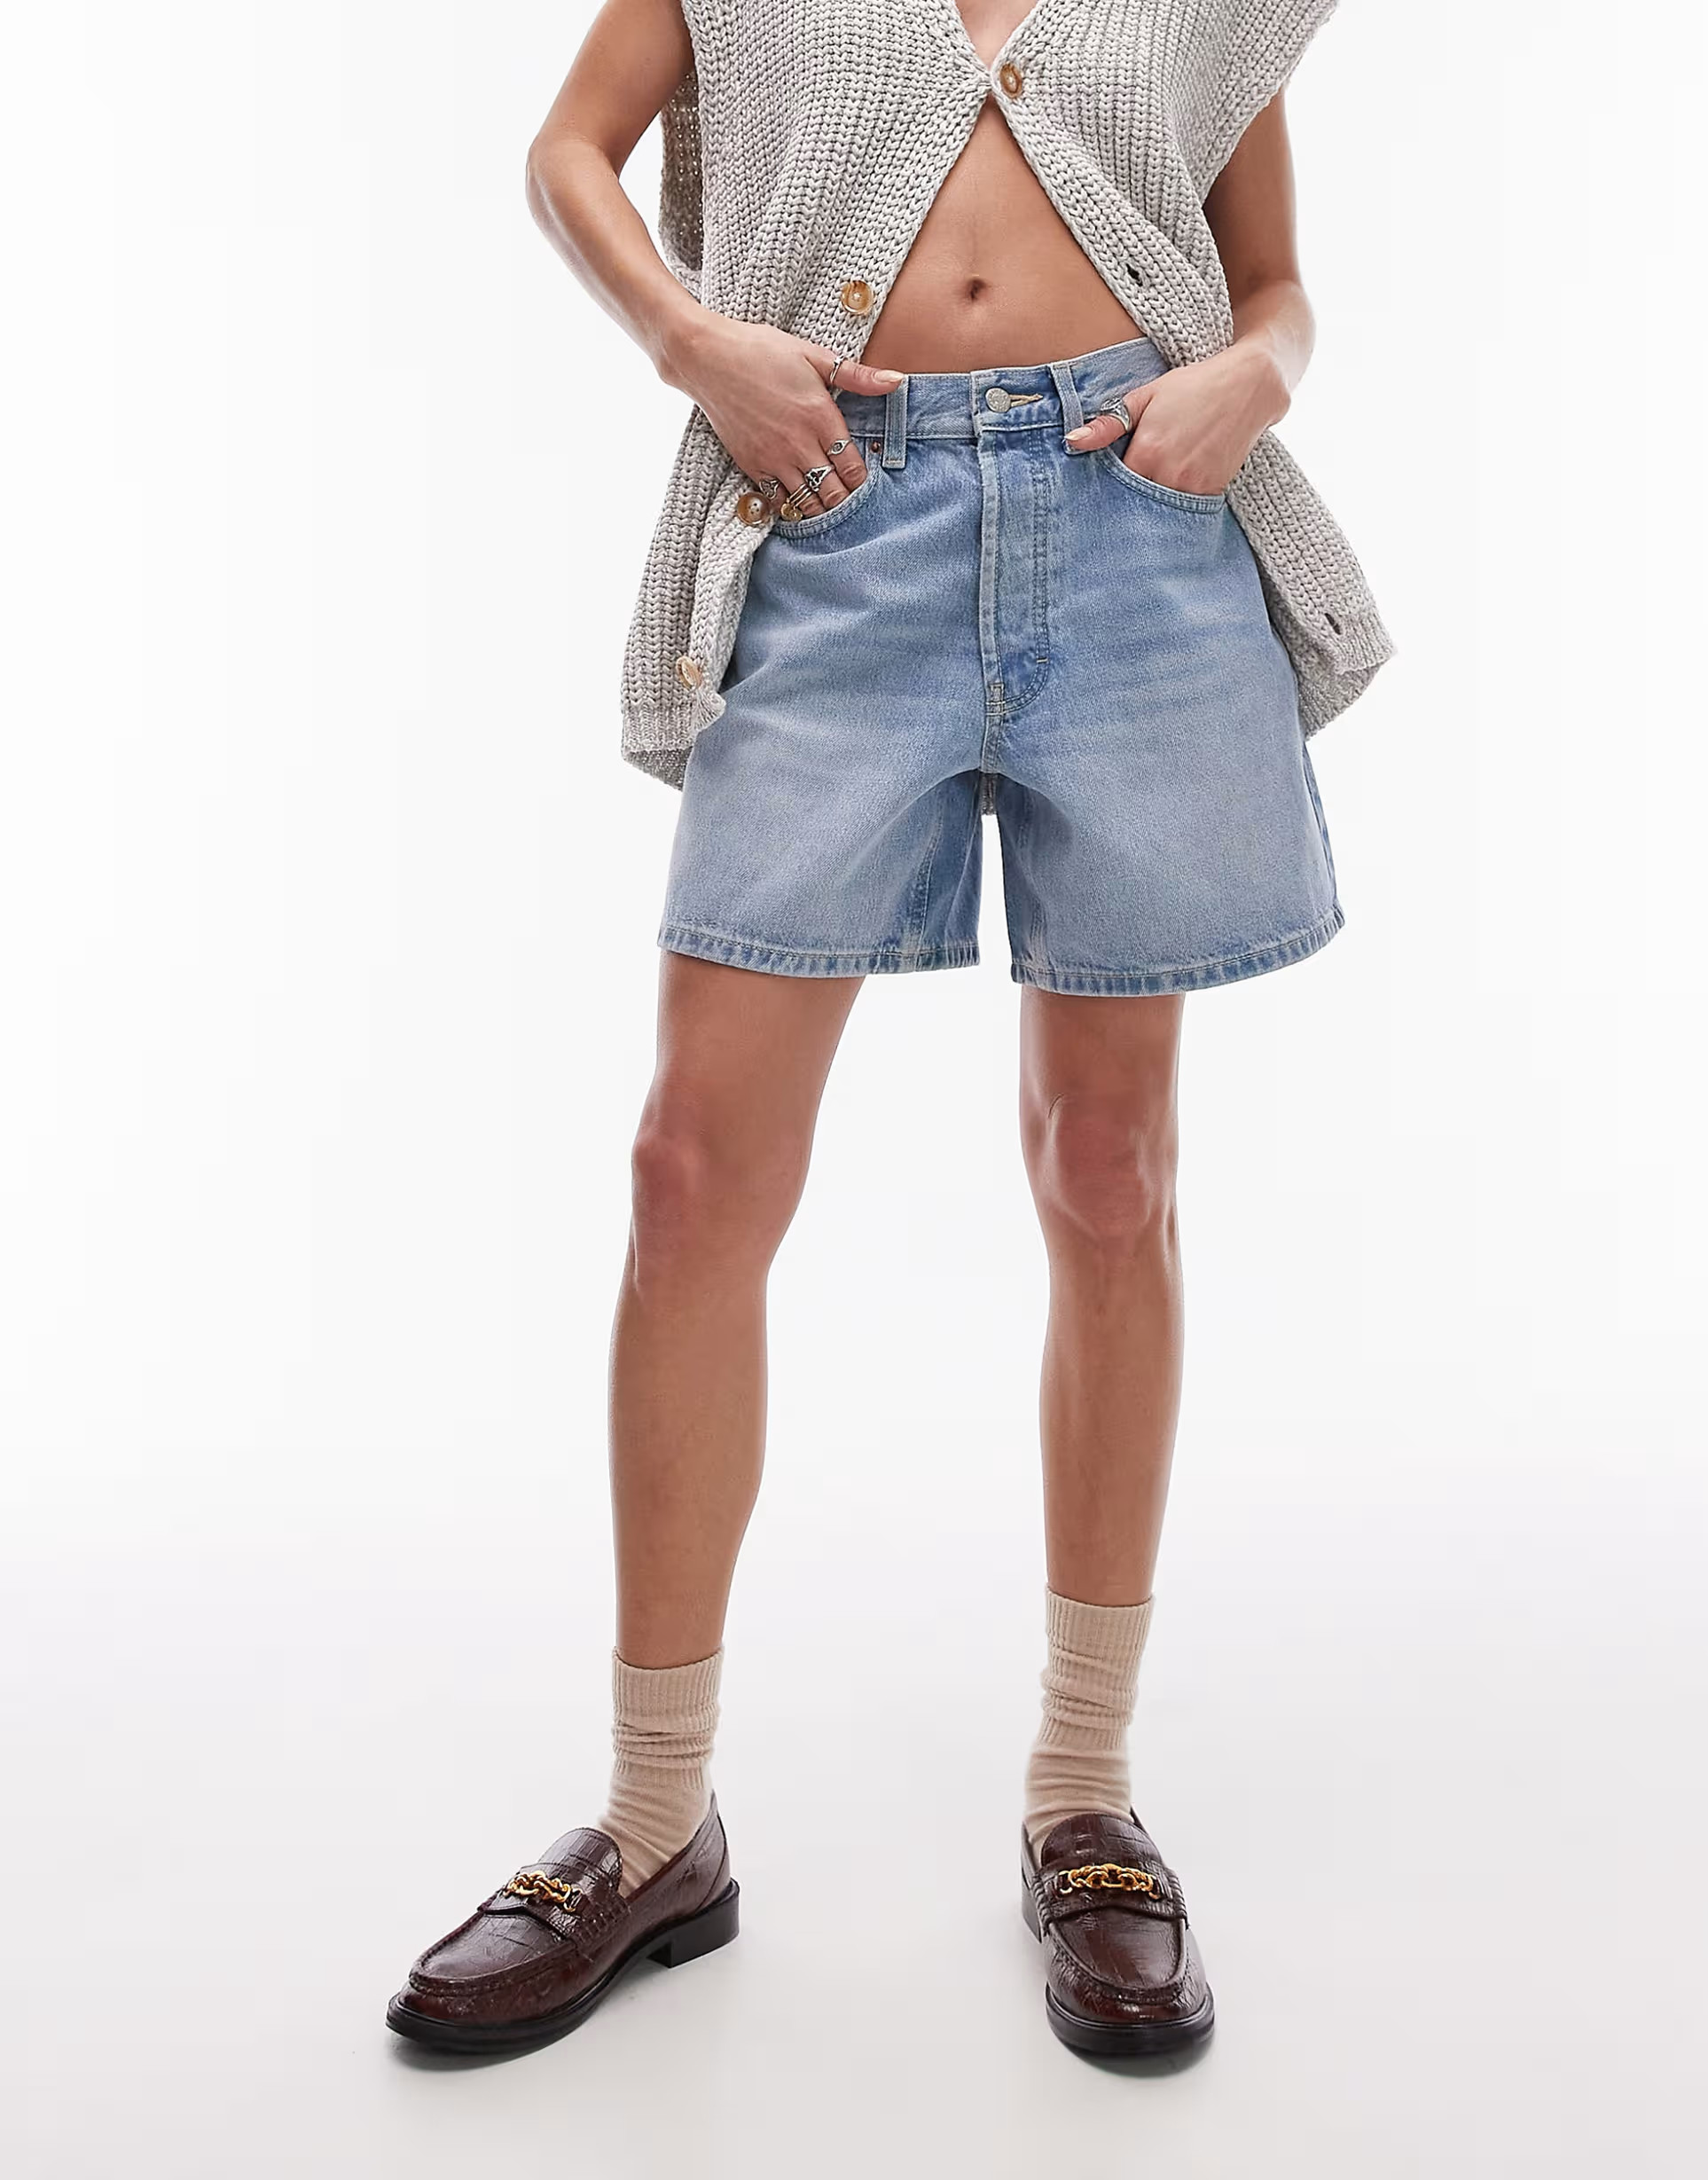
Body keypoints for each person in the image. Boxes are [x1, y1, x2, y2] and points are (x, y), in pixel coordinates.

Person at [388, 0, 1390, 2060]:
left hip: (1138, 525)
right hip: (834, 512)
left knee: (1107, 1171)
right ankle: (654, 1820)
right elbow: (569, 151)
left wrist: (1257, 378)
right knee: (690, 1173)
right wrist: (692, 343)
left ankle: (1085, 1795)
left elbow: (1275, 279)